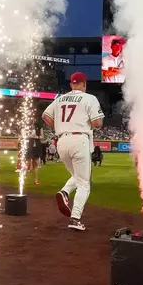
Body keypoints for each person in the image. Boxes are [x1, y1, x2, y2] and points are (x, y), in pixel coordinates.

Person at [42, 72, 104, 231]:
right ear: (84, 84)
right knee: (84, 183)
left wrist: (60, 127)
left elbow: (45, 116)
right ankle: (75, 218)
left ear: (71, 84)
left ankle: (64, 192)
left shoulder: (60, 99)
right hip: (79, 140)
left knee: (77, 176)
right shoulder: (89, 98)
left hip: (62, 141)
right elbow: (97, 123)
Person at [25, 118, 44, 186]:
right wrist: (29, 136)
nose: (33, 120)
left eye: (34, 119)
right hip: (29, 146)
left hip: (36, 147)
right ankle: (24, 178)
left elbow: (42, 136)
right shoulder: (27, 127)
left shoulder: (39, 127)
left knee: (35, 163)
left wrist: (37, 137)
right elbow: (23, 135)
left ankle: (36, 180)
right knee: (27, 162)